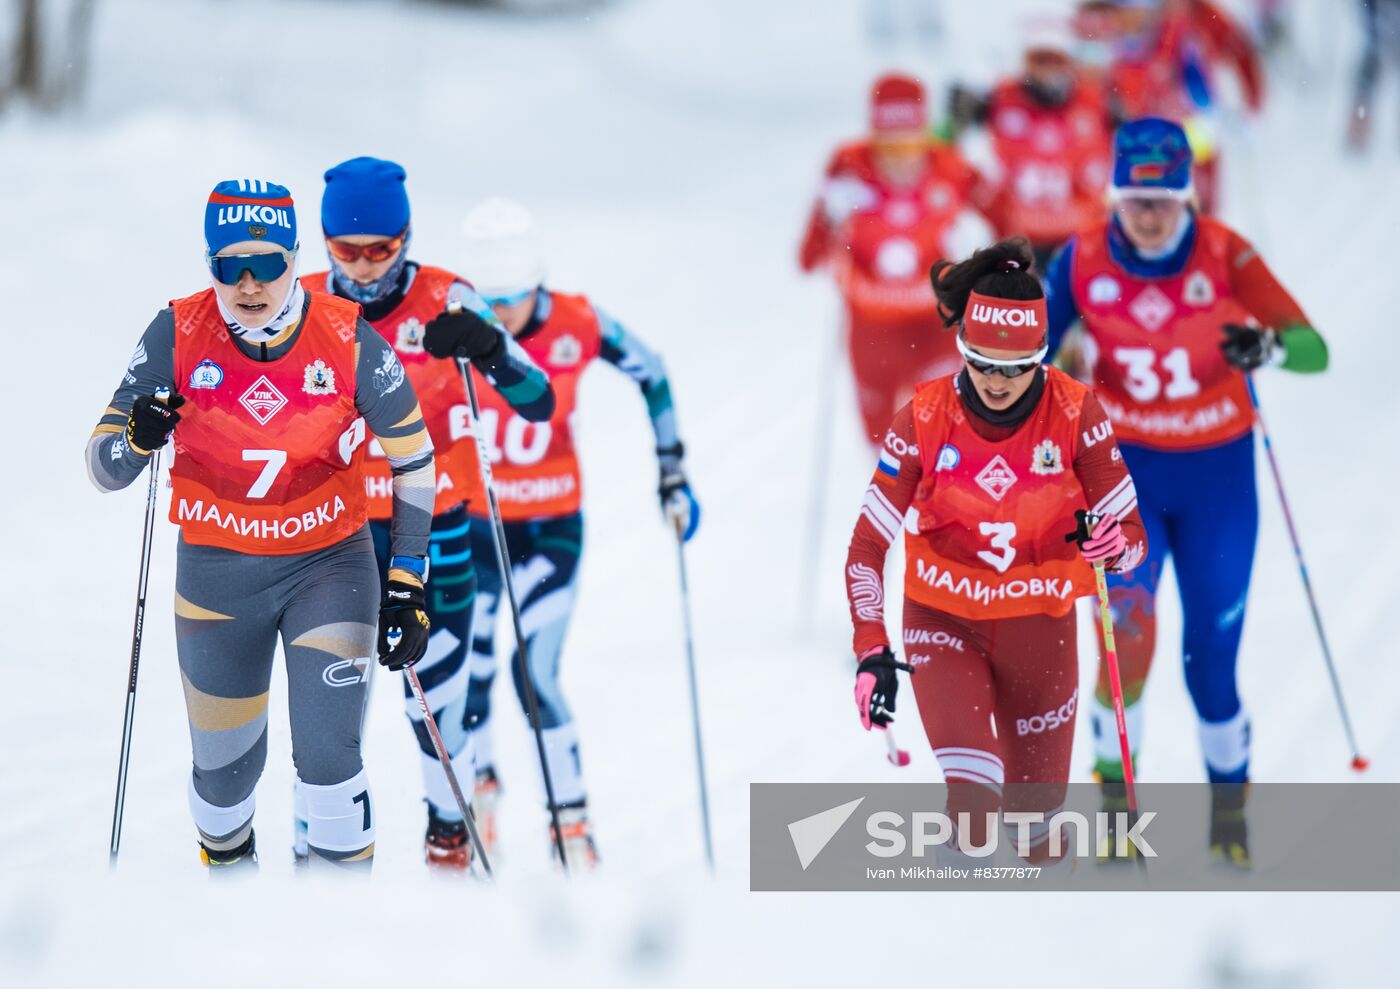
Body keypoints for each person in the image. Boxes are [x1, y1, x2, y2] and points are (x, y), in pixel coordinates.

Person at [86, 179, 436, 871]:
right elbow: (103, 467)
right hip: (218, 580)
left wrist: (406, 578)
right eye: (229, 266)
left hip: (328, 570)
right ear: (209, 263)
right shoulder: (177, 332)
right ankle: (238, 921)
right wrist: (137, 433)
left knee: (330, 761)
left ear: (295, 256)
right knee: (223, 781)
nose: (249, 284)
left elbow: (414, 457)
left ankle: (333, 945)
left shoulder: (346, 335)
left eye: (269, 264)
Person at [1042, 118, 1329, 866]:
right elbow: (1029, 342)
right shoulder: (1083, 257)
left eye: (1166, 199)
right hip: (1123, 479)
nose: (1150, 215)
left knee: (1211, 655)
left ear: (1188, 196)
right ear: (1116, 194)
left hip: (1218, 478)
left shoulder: (1224, 252)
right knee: (1124, 644)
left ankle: (1228, 810)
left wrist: (1267, 347)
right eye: (1137, 200)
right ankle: (1114, 809)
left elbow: (1313, 348)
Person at [844, 237, 1145, 868]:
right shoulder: (924, 418)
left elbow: (1132, 541)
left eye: (1016, 366)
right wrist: (872, 645)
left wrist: (1113, 545)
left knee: (1037, 843)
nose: (998, 381)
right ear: (962, 351)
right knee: (974, 812)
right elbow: (868, 545)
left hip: (1042, 629)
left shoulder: (1075, 411)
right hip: (943, 623)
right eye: (982, 363)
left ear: (1041, 354)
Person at [297, 158, 556, 870]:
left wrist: (490, 349)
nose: (364, 268)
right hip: (336, 535)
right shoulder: (304, 304)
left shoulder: (449, 297)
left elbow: (539, 400)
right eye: (345, 251)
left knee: (435, 704)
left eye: (381, 250)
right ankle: (317, 846)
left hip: (434, 531)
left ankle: (451, 832)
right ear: (323, 245)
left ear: (406, 238)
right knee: (325, 709)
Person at [457, 198, 700, 867]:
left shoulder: (577, 321)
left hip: (550, 528)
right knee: (467, 671)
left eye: (513, 297)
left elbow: (651, 369)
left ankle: (572, 823)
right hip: (473, 526)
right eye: (488, 298)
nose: (499, 314)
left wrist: (671, 469)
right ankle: (478, 798)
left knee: (534, 671)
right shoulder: (452, 321)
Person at [800, 72, 992, 445]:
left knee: (946, 431)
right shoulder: (849, 166)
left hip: (932, 325)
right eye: (889, 148)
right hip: (872, 331)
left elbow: (1002, 212)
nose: (900, 162)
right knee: (885, 443)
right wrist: (828, 214)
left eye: (909, 148)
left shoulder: (948, 166)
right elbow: (808, 258)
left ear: (925, 138)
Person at [945, 19, 1115, 273]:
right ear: (1026, 62)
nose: (1048, 69)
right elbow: (946, 142)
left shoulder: (1096, 104)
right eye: (1040, 60)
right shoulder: (1001, 98)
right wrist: (956, 120)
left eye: (1055, 60)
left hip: (1078, 238)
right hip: (1019, 239)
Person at [1073, 0, 1264, 213]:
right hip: (1117, 159)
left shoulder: (1180, 33)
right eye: (1125, 12)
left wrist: (1241, 113)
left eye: (1138, 11)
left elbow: (1228, 57)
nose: (1131, 20)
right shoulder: (1095, 33)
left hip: (1179, 149)